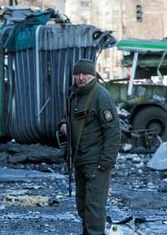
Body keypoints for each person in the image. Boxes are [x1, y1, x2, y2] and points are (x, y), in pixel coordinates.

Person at [59, 59, 121, 235]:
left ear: (93, 75)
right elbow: (67, 119)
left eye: (85, 74)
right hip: (80, 160)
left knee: (94, 207)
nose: (81, 77)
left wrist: (107, 161)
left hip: (96, 162)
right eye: (77, 74)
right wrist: (62, 126)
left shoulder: (101, 96)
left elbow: (113, 131)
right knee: (83, 204)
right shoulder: (75, 95)